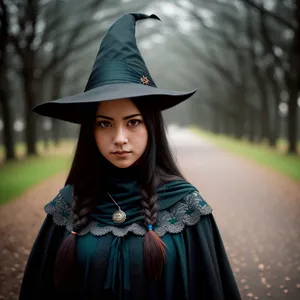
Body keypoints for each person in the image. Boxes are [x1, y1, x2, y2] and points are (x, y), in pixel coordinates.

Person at [18, 13, 242, 300]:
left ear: (151, 127)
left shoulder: (185, 207)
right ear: (90, 132)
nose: (120, 138)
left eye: (133, 122)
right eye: (105, 124)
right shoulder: (68, 206)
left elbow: (210, 287)